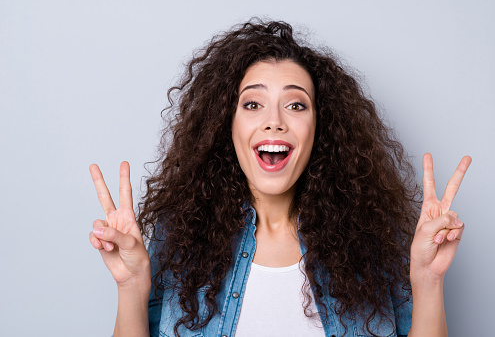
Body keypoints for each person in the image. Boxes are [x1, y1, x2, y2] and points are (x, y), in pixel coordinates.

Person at [89, 19, 471, 337]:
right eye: (253, 104)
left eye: (295, 104)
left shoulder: (371, 238)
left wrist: (427, 279)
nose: (275, 120)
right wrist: (132, 286)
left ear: (321, 126)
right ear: (227, 125)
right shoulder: (181, 238)